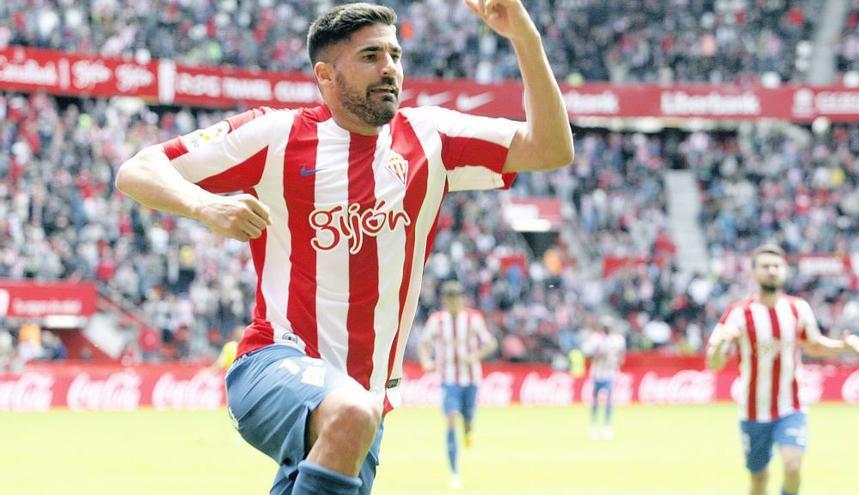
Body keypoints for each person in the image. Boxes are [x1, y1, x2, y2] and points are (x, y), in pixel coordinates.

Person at [115, 1, 573, 494]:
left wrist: (524, 35)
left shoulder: (432, 139)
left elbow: (550, 148)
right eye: (371, 56)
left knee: (355, 414)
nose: (390, 68)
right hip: (274, 363)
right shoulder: (277, 135)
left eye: (395, 54)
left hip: (367, 404)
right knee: (352, 411)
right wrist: (205, 207)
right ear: (326, 75)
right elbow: (137, 170)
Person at [706, 243, 859, 495]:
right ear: (754, 272)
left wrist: (842, 346)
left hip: (790, 406)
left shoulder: (797, 308)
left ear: (785, 270)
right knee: (759, 479)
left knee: (793, 467)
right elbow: (713, 363)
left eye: (776, 266)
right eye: (765, 266)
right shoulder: (738, 313)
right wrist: (721, 344)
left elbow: (813, 345)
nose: (771, 271)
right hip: (753, 410)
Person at [417, 280, 497, 489]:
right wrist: (426, 360)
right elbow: (424, 343)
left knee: (468, 420)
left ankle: (468, 430)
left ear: (462, 300)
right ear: (445, 301)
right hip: (449, 380)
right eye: (450, 300)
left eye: (457, 299)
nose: (454, 304)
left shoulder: (473, 319)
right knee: (451, 420)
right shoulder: (437, 321)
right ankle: (454, 471)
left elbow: (490, 343)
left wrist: (476, 355)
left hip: (471, 379)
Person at [582, 316, 625, 439]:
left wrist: (616, 360)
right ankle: (594, 425)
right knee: (595, 401)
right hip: (597, 373)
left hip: (610, 373)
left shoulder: (617, 339)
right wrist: (598, 355)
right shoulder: (595, 339)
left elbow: (621, 355)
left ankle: (607, 426)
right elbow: (587, 354)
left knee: (609, 401)